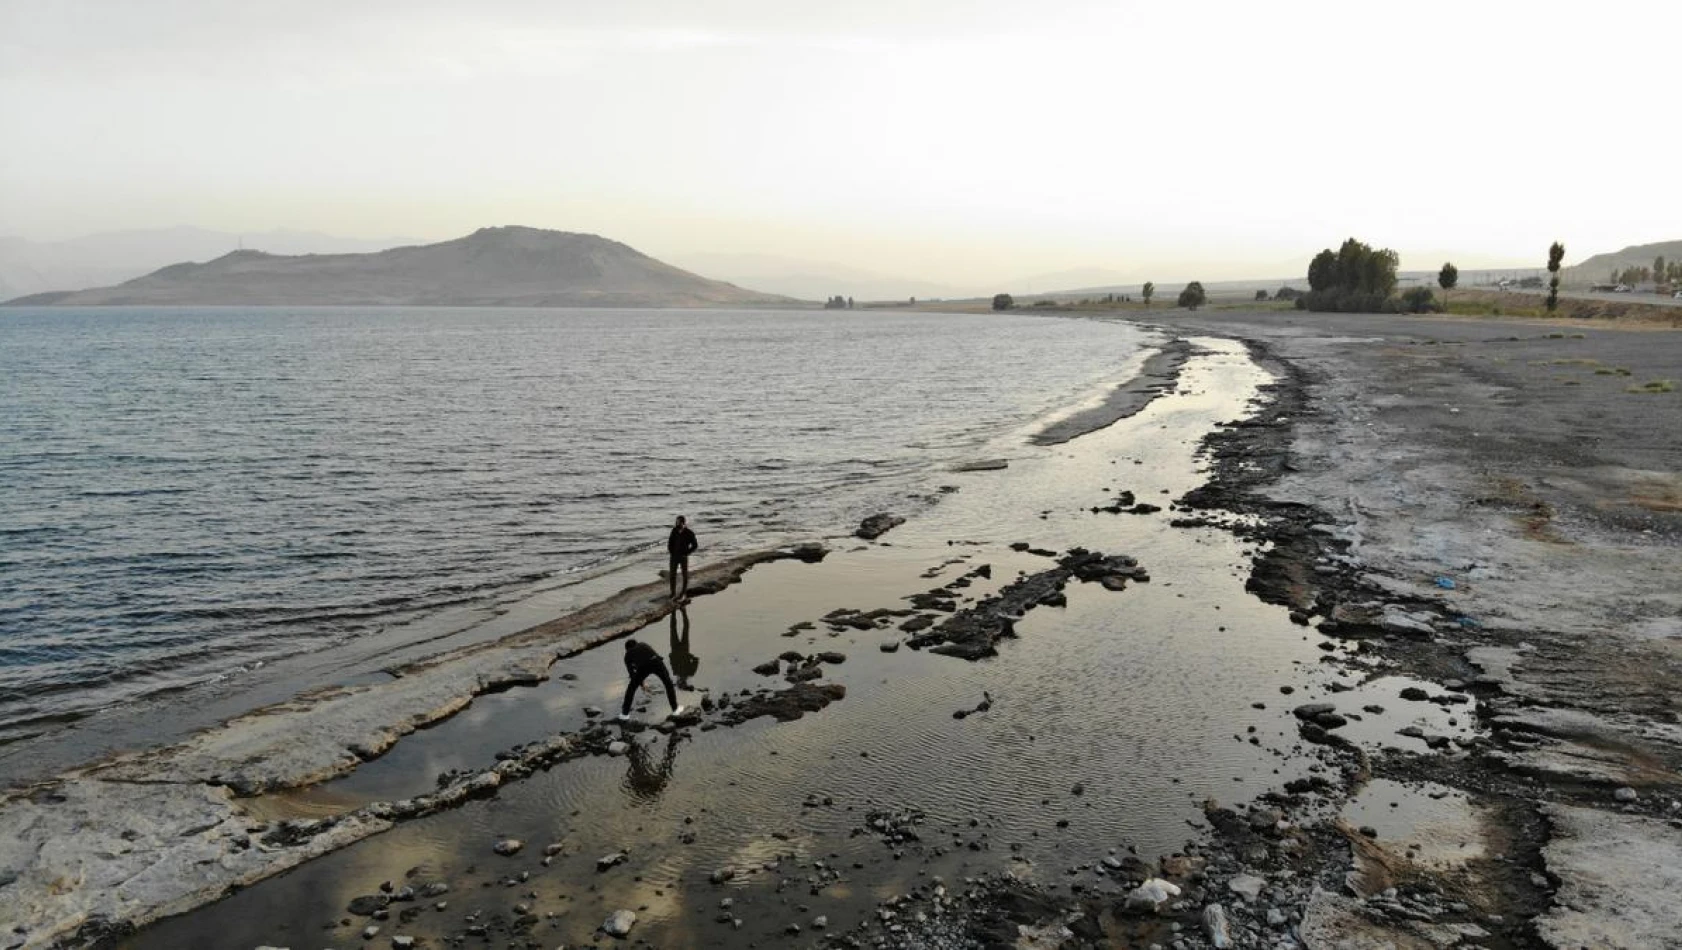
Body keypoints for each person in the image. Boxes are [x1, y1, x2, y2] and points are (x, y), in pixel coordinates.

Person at [617, 637, 684, 722]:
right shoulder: (643, 644)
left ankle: (624, 715)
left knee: (631, 689)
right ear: (636, 643)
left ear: (627, 649)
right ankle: (675, 709)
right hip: (657, 661)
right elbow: (651, 654)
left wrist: (641, 684)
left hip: (644, 667)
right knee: (668, 684)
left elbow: (632, 674)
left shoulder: (627, 655)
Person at [667, 515, 699, 602]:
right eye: (676, 522)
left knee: (685, 575)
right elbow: (670, 542)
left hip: (683, 557)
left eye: (679, 522)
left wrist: (687, 553)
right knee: (672, 575)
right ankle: (673, 593)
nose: (677, 523)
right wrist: (671, 552)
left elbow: (695, 545)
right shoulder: (674, 531)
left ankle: (683, 593)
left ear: (683, 523)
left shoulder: (689, 533)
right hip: (674, 557)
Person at [668, 605, 698, 689]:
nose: (679, 680)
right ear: (682, 681)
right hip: (679, 648)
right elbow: (696, 659)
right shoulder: (679, 672)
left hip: (680, 649)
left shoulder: (689, 672)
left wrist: (688, 655)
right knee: (677, 629)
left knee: (682, 629)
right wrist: (688, 655)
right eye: (680, 681)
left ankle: (678, 611)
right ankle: (678, 611)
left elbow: (695, 660)